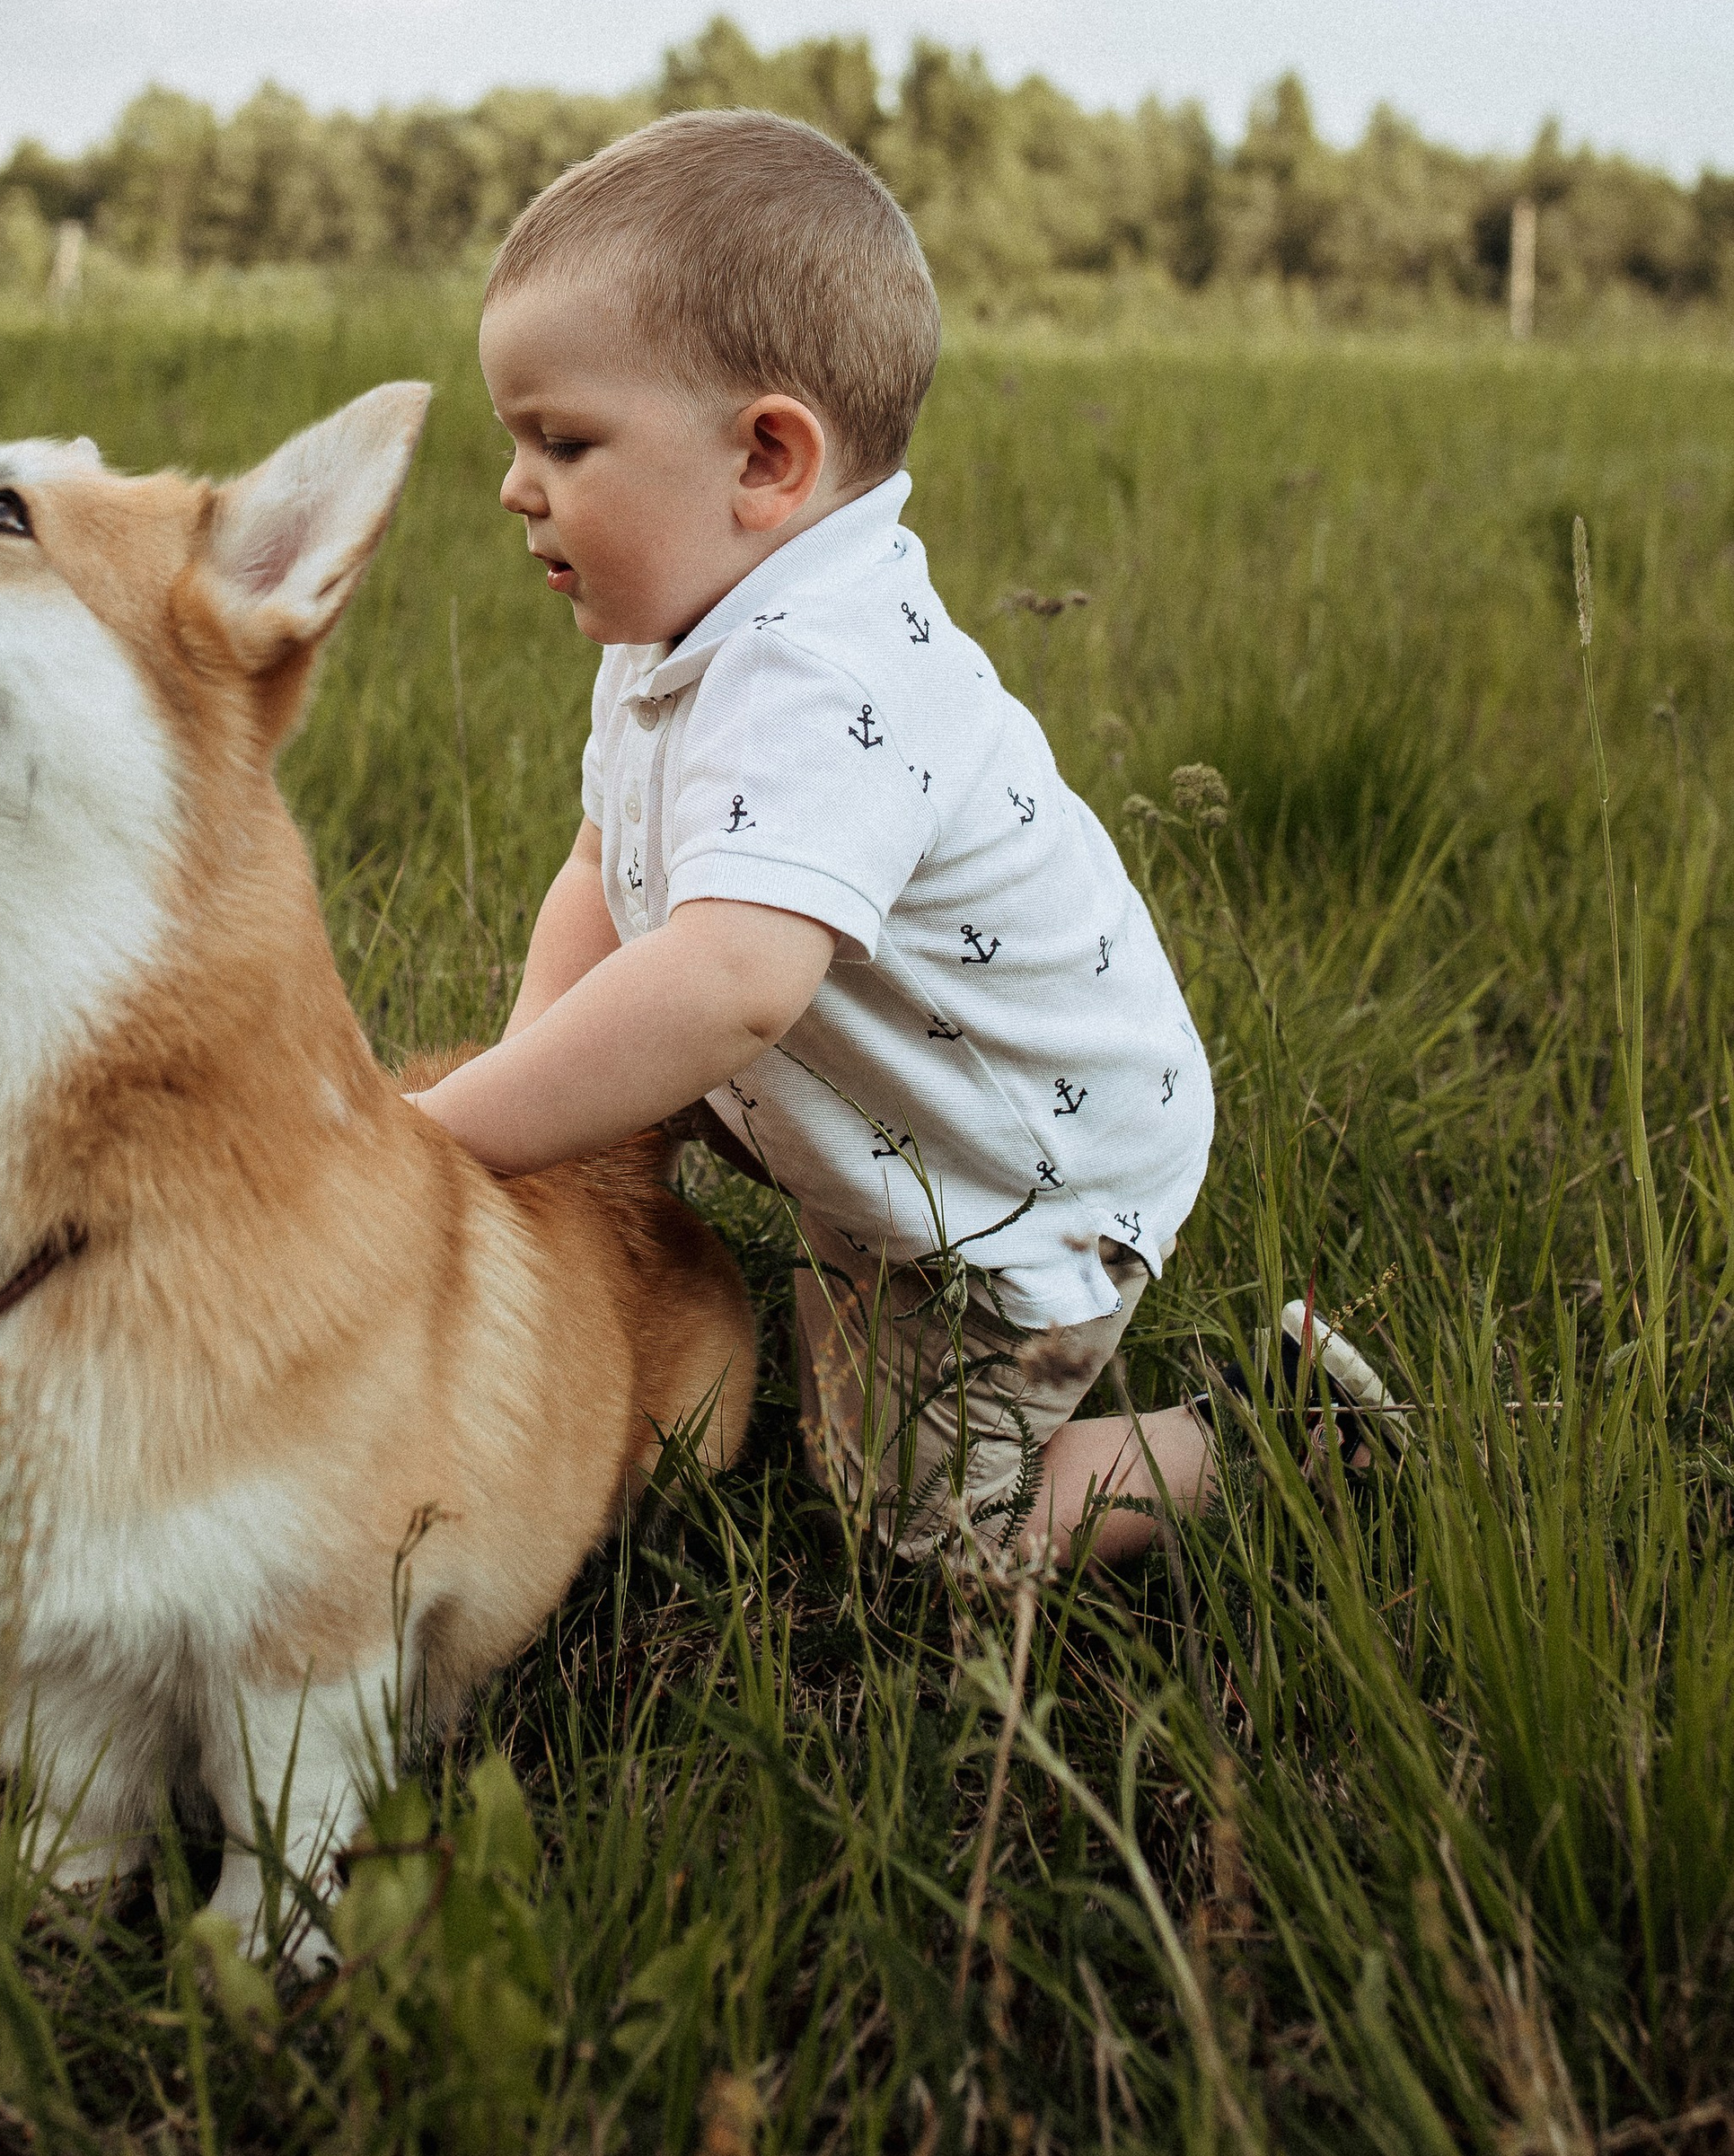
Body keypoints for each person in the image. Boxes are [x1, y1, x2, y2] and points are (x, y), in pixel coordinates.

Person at [408, 107, 1394, 1577]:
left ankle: (1280, 1441)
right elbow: (595, 866)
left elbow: (731, 981)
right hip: (860, 1092)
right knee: (585, 1085)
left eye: (562, 439)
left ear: (767, 458)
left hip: (1006, 1183)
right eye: (514, 440)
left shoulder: (822, 673)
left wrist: (438, 1138)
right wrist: (519, 1101)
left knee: (922, 1528)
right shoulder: (682, 618)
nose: (514, 484)